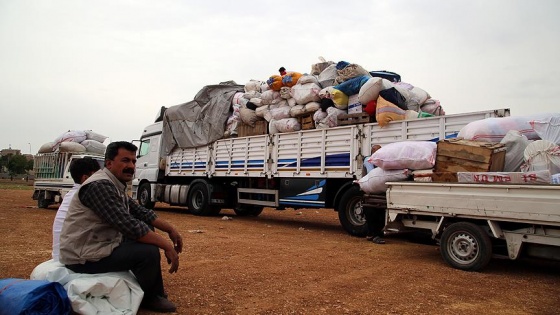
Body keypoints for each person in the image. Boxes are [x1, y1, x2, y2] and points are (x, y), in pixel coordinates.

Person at [59, 141, 183, 313]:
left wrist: (170, 229)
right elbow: (128, 225)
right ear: (109, 163)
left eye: (133, 161)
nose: (131, 166)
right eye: (125, 161)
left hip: (99, 245)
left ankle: (148, 286)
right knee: (147, 251)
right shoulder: (99, 186)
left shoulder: (113, 183)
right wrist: (166, 245)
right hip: (84, 257)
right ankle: (151, 297)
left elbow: (140, 212)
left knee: (147, 228)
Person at [52, 157, 101, 261]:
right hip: (72, 257)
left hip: (60, 254)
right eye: (98, 176)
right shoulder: (86, 195)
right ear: (85, 178)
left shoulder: (72, 194)